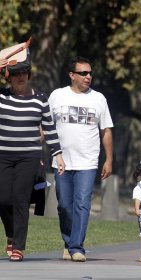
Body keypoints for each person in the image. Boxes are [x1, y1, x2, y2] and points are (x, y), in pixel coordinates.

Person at [48, 56, 114, 262]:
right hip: (61, 161)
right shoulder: (57, 96)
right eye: (83, 73)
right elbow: (45, 127)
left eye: (90, 73)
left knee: (82, 204)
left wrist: (109, 159)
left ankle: (77, 247)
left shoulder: (99, 99)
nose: (88, 76)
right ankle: (68, 243)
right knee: (64, 206)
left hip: (87, 162)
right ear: (72, 75)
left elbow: (106, 131)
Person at [0, 57, 65, 261]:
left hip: (28, 156)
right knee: (2, 200)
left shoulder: (40, 99)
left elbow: (49, 128)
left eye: (24, 73)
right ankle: (11, 233)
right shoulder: (1, 97)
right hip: (2, 155)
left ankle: (18, 246)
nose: (20, 77)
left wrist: (58, 154)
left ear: (29, 75)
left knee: (20, 199)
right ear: (8, 77)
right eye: (16, 74)